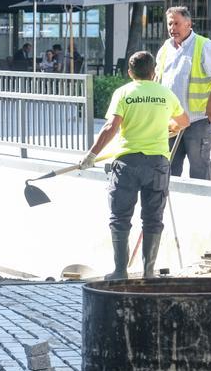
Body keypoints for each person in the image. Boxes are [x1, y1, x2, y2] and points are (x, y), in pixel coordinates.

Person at [81, 51, 191, 280]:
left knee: (120, 217)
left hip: (127, 163)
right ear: (155, 73)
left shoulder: (124, 93)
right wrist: (168, 127)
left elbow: (111, 126)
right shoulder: (165, 94)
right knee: (153, 219)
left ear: (130, 72)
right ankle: (148, 272)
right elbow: (184, 122)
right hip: (158, 164)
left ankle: (120, 271)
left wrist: (91, 155)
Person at [155, 6, 211, 180]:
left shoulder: (204, 46)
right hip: (171, 121)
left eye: (177, 23)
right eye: (170, 24)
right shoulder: (166, 48)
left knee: (199, 168)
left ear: (189, 24)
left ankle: (201, 205)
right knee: (169, 168)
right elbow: (157, 79)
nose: (172, 28)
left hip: (197, 120)